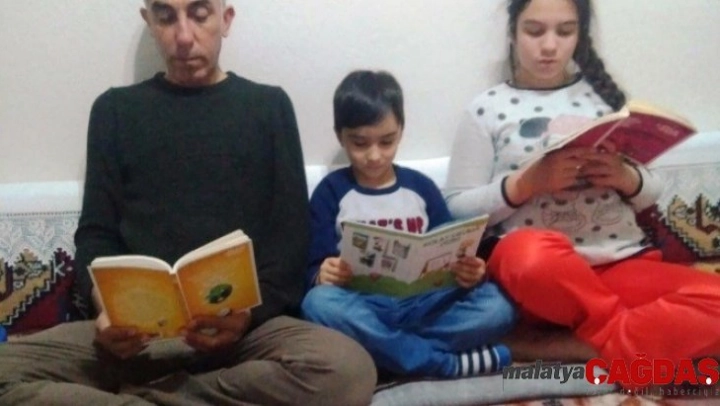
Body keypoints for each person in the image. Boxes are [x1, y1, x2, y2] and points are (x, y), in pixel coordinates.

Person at [0, 1, 377, 405]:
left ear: (225, 20)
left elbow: (290, 239)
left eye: (199, 15)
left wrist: (247, 316)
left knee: (348, 370)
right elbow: (95, 235)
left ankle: (151, 397)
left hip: (244, 336)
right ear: (149, 21)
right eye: (166, 17)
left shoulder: (269, 107)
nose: (183, 36)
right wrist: (104, 308)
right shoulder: (114, 111)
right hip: (136, 339)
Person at [445, 0, 720, 389]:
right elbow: (457, 209)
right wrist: (525, 184)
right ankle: (635, 341)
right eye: (534, 31)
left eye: (565, 31)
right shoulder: (486, 109)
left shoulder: (603, 100)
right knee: (527, 255)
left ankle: (577, 346)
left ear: (580, 35)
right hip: (540, 277)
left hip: (619, 264)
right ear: (513, 32)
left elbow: (652, 191)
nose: (549, 46)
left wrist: (626, 177)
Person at [301, 70, 516, 379]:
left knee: (498, 306)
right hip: (364, 306)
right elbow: (313, 268)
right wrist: (323, 273)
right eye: (359, 143)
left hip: (424, 306)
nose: (374, 156)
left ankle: (387, 353)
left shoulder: (421, 187)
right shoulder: (331, 191)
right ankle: (443, 364)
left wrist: (469, 272)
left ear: (401, 131)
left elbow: (452, 247)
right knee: (318, 305)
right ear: (340, 136)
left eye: (386, 142)